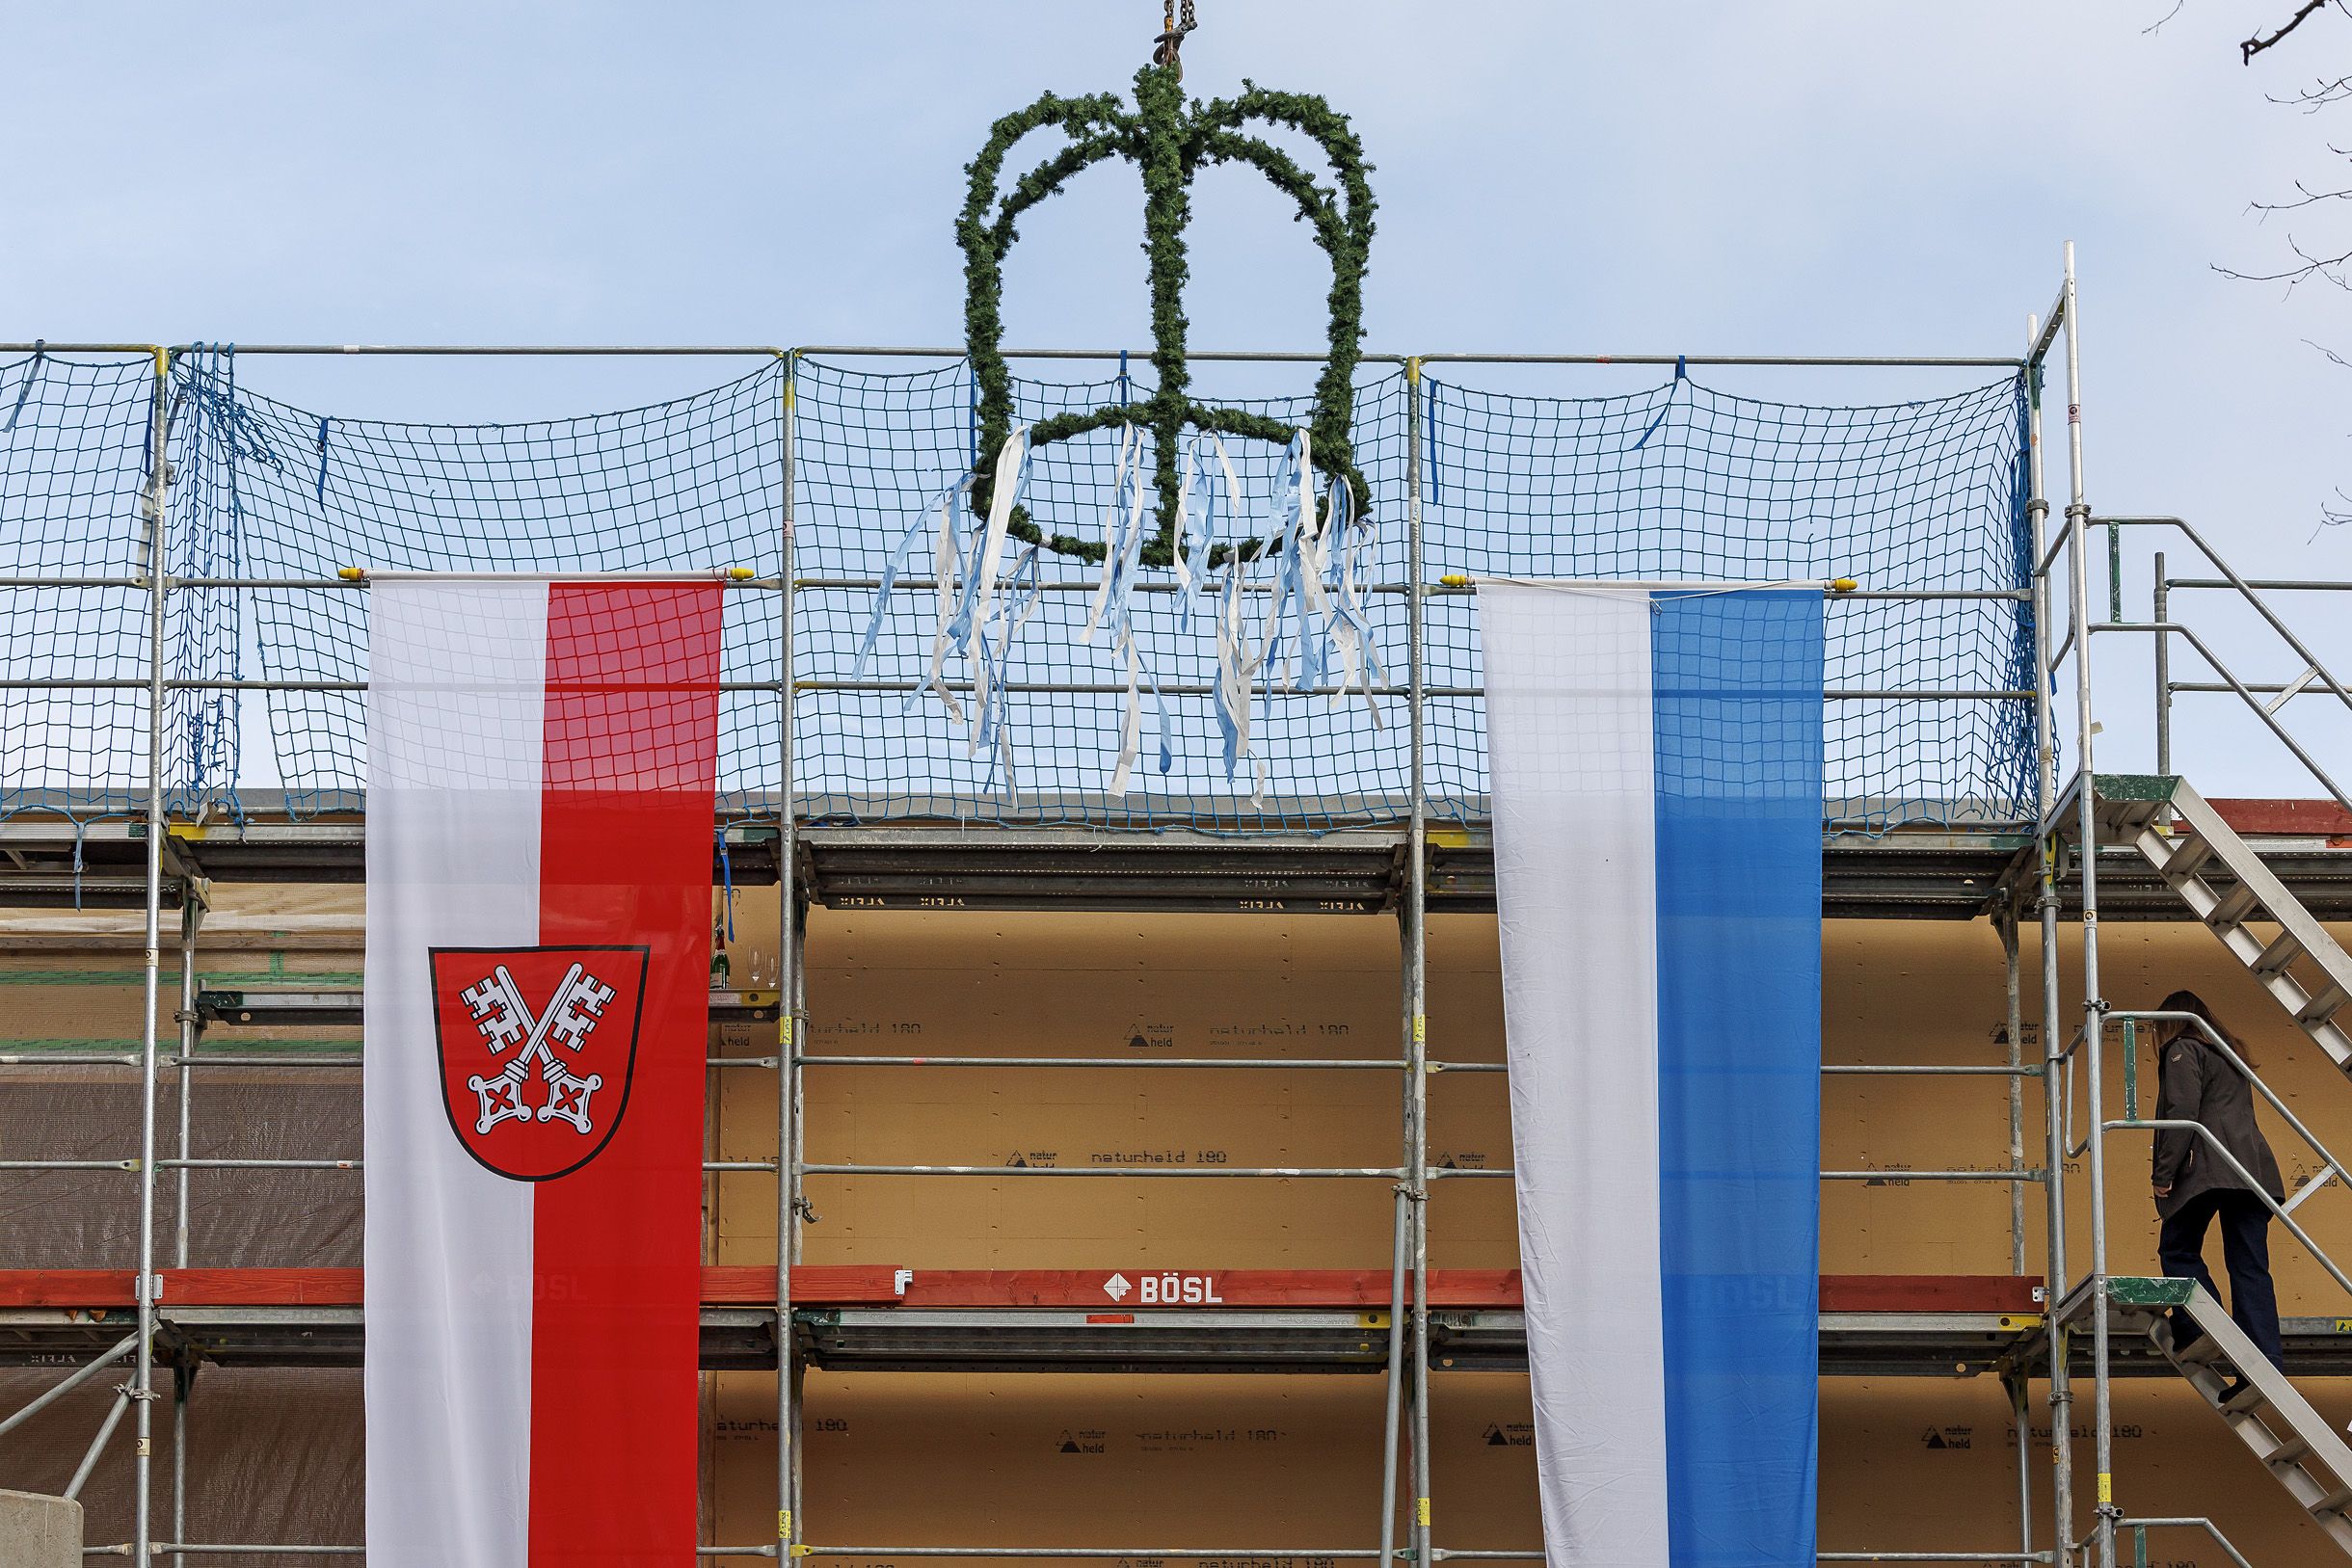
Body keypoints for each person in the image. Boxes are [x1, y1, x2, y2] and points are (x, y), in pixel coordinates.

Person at [2151, 990, 2286, 1372]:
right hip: (2252, 1170)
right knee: (2249, 1265)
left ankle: (2202, 1328)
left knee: (2177, 1249)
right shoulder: (2229, 1052)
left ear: (2169, 1024)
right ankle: (2263, 1361)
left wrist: (2164, 1174)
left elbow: (2182, 1112)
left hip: (2209, 1167)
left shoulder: (2182, 1049)